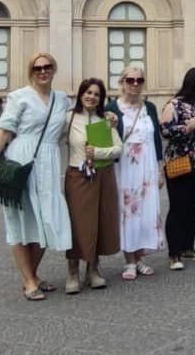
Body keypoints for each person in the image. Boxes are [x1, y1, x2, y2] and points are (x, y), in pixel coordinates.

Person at [0, 52, 73, 301]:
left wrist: (106, 117)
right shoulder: (19, 97)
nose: (42, 71)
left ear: (54, 69)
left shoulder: (62, 99)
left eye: (47, 67)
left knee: (48, 218)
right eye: (37, 68)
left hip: (49, 163)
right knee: (20, 221)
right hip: (22, 159)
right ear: (30, 71)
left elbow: (77, 123)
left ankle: (31, 275)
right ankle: (29, 280)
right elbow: (3, 131)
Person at [62, 78, 123, 294]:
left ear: (101, 99)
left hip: (102, 174)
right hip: (77, 176)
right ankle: (72, 271)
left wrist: (98, 153)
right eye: (88, 92)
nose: (91, 97)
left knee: (99, 220)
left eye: (96, 94)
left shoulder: (105, 120)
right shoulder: (69, 118)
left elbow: (118, 148)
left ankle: (93, 269)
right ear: (80, 94)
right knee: (77, 223)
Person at [107, 65, 167, 277]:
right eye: (130, 80)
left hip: (147, 165)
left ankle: (140, 258)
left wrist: (160, 169)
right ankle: (129, 260)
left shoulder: (149, 107)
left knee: (145, 211)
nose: (134, 84)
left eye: (139, 81)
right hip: (125, 166)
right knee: (128, 211)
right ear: (122, 82)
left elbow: (156, 139)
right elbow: (106, 139)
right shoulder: (112, 108)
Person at [161, 66, 195, 270]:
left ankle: (188, 247)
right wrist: (188, 127)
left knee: (194, 207)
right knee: (177, 207)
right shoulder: (175, 104)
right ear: (189, 82)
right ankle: (174, 253)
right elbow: (164, 131)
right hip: (179, 163)